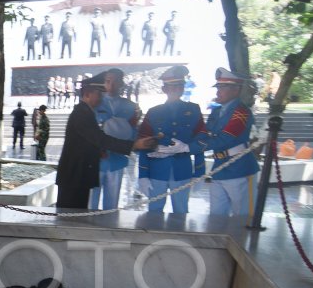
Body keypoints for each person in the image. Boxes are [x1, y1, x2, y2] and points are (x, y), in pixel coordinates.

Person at [56, 77, 156, 209]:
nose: (101, 98)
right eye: (98, 94)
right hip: (75, 177)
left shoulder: (86, 112)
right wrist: (133, 145)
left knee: (77, 216)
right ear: (87, 94)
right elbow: (100, 139)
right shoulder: (81, 114)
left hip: (79, 175)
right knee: (70, 217)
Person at [137, 65, 206, 213]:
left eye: (179, 86)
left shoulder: (193, 110)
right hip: (157, 170)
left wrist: (200, 172)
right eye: (171, 86)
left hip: (182, 170)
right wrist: (143, 174)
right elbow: (144, 143)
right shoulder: (153, 112)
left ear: (183, 87)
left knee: (181, 212)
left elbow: (201, 140)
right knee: (154, 213)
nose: (176, 89)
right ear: (164, 89)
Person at [198, 67, 258, 216]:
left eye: (223, 87)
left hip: (239, 167)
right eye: (218, 87)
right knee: (216, 216)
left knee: (244, 217)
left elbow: (225, 139)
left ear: (236, 90)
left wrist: (188, 148)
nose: (218, 91)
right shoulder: (217, 111)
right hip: (220, 166)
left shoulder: (241, 112)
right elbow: (205, 132)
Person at [90, 68, 140, 210]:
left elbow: (133, 132)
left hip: (117, 160)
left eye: (115, 81)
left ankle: (108, 229)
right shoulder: (95, 103)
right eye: (108, 81)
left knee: (112, 204)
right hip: (95, 160)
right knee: (89, 203)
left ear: (121, 83)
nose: (111, 85)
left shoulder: (130, 107)